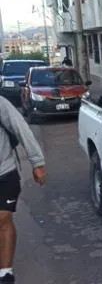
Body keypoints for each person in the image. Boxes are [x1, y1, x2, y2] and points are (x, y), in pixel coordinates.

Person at [0, 96, 46, 283]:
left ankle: (5, 272)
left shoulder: (1, 103)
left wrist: (37, 162)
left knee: (3, 218)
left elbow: (21, 128)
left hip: (4, 172)